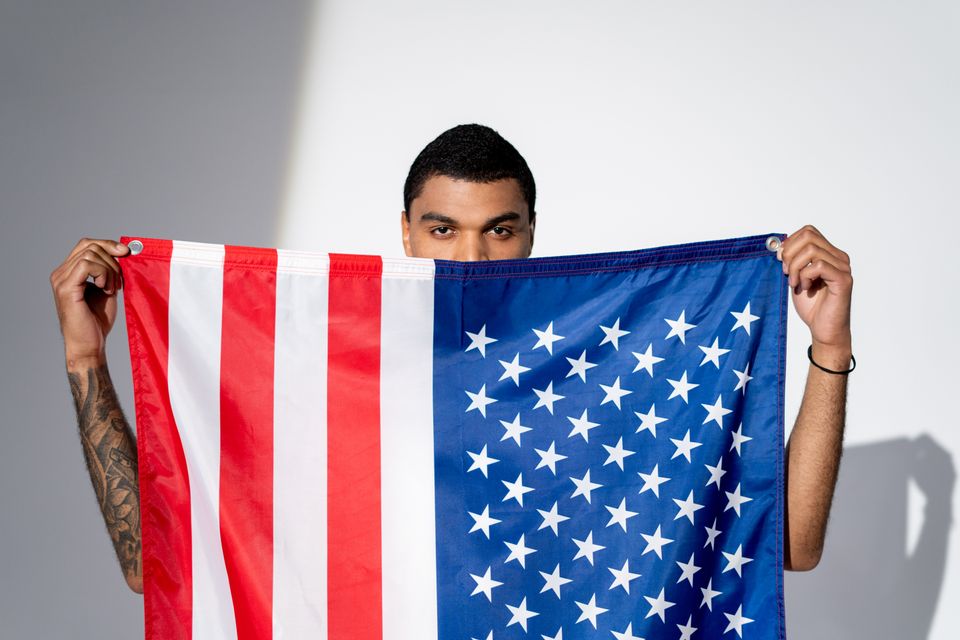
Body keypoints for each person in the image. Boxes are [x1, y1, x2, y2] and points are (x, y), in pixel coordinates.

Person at [49, 124, 854, 594]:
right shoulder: (330, 380)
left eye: (499, 229)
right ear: (404, 230)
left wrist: (828, 347)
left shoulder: (601, 373)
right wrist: (88, 360)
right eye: (443, 229)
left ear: (533, 231)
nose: (470, 256)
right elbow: (153, 566)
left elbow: (790, 547)